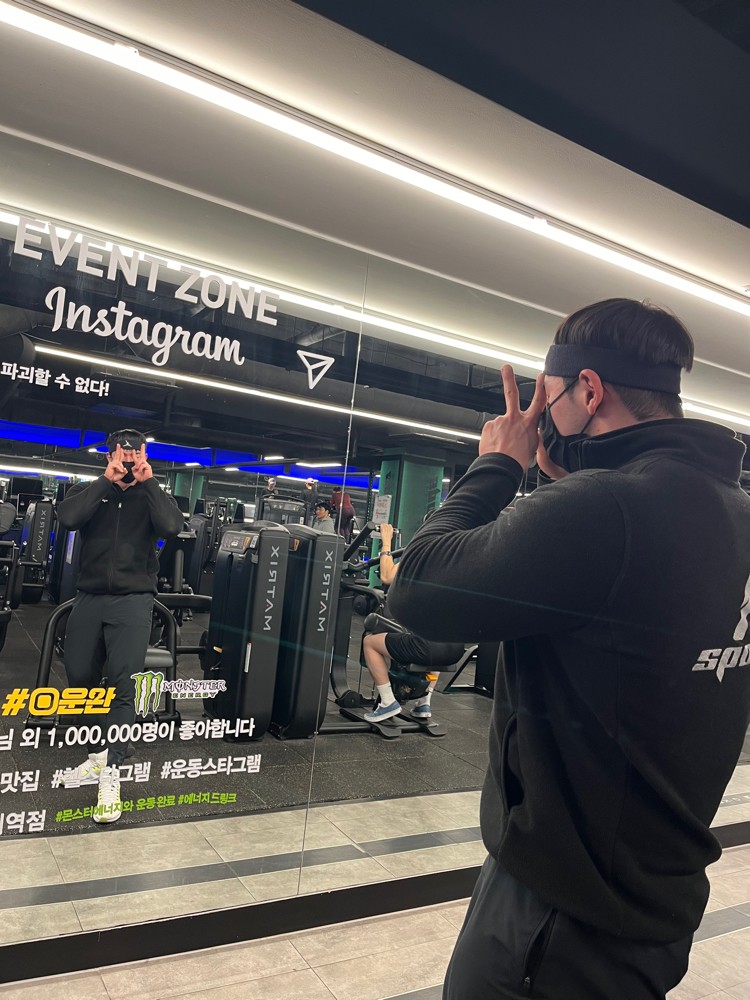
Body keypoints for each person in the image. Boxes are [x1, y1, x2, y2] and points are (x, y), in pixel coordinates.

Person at [388, 298, 750, 999]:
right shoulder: (731, 509)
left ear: (589, 390)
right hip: (655, 893)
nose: (540, 418)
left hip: (558, 913)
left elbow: (417, 587)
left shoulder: (607, 508)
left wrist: (498, 463)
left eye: (547, 400)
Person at [56, 429, 184, 824]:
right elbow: (68, 518)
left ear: (143, 455)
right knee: (79, 680)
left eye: (134, 454)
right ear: (109, 455)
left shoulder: (152, 496)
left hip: (133, 601)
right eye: (121, 454)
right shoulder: (90, 491)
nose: (127, 461)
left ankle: (111, 772)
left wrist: (149, 482)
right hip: (89, 597)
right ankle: (97, 756)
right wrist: (105, 481)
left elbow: (172, 527)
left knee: (123, 685)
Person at [363, 523, 464, 723]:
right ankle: (424, 702)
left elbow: (386, 575)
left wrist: (386, 542)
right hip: (455, 649)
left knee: (370, 643)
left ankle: (388, 702)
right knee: (436, 635)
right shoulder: (457, 561)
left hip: (426, 647)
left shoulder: (424, 557)